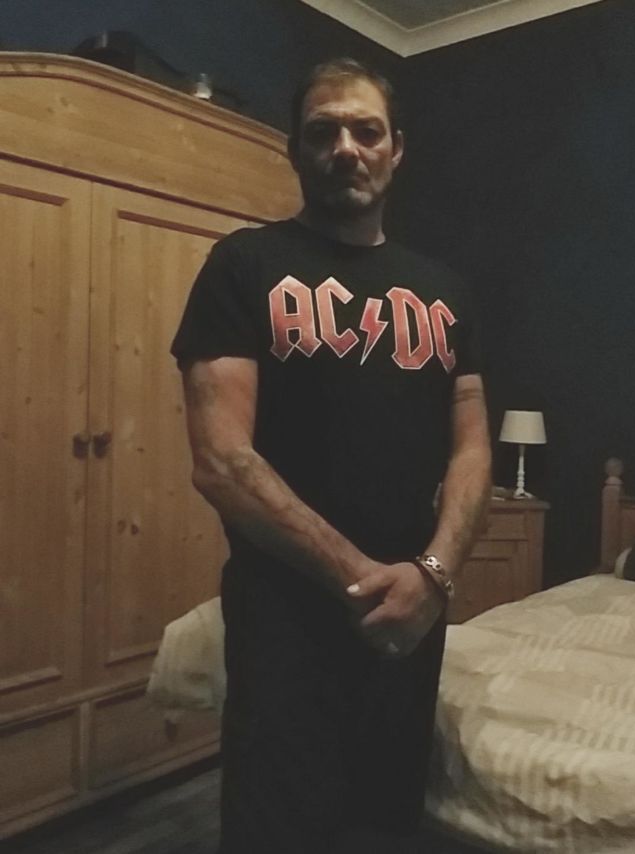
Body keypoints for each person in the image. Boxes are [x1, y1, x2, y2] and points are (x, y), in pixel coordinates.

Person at [171, 57, 491, 854]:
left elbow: (472, 447)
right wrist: (365, 583)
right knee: (277, 829)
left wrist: (432, 579)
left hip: (412, 619)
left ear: (396, 149)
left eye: (366, 131)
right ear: (296, 150)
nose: (347, 147)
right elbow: (221, 460)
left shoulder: (446, 290)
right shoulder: (243, 265)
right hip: (286, 618)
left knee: (383, 823)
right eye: (324, 132)